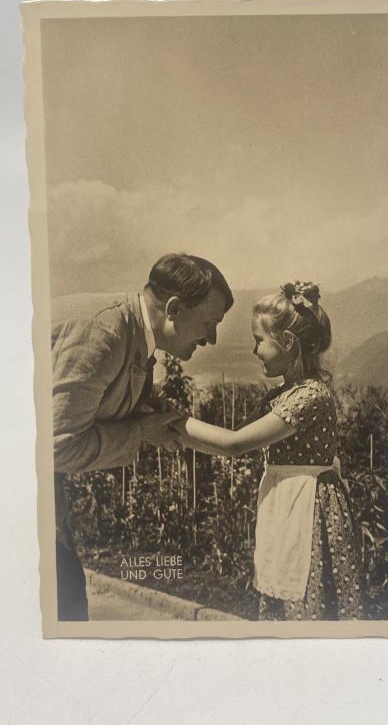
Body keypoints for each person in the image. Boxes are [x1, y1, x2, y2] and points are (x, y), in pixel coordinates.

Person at [51, 253, 233, 620]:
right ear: (174, 308)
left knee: (67, 601)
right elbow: (57, 448)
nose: (211, 338)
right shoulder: (103, 335)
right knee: (63, 604)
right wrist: (140, 433)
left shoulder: (132, 334)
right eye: (210, 322)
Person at [171, 281, 362, 621]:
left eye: (259, 341)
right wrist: (173, 429)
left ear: (287, 343)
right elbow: (230, 439)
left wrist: (172, 422)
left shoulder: (310, 396)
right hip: (287, 504)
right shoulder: (283, 394)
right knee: (283, 597)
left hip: (308, 508)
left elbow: (235, 444)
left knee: (307, 602)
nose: (254, 350)